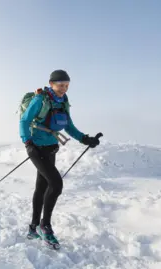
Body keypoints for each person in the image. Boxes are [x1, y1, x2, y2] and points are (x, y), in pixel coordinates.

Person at [19, 69, 100, 248]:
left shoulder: (63, 101)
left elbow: (68, 126)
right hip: (36, 149)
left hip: (50, 149)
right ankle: (45, 226)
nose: (64, 88)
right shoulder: (40, 99)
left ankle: (33, 228)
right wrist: (28, 143)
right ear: (51, 84)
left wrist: (85, 138)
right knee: (56, 184)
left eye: (67, 85)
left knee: (42, 186)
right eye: (61, 85)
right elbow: (24, 121)